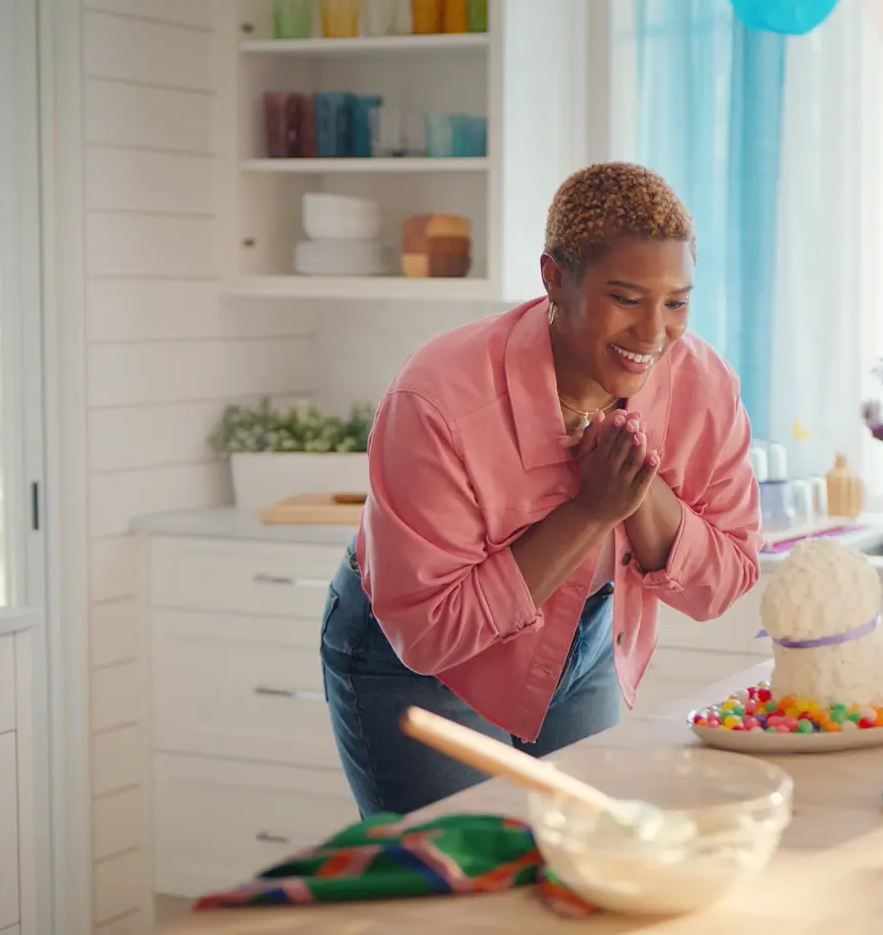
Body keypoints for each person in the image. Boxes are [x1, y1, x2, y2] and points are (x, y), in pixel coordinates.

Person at [320, 162, 763, 817]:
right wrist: (593, 509)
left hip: (584, 643)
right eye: (626, 297)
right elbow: (429, 632)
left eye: (676, 301)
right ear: (555, 278)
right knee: (462, 891)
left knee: (583, 858)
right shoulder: (439, 395)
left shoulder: (704, 385)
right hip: (414, 663)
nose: (654, 332)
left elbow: (726, 580)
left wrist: (636, 484)